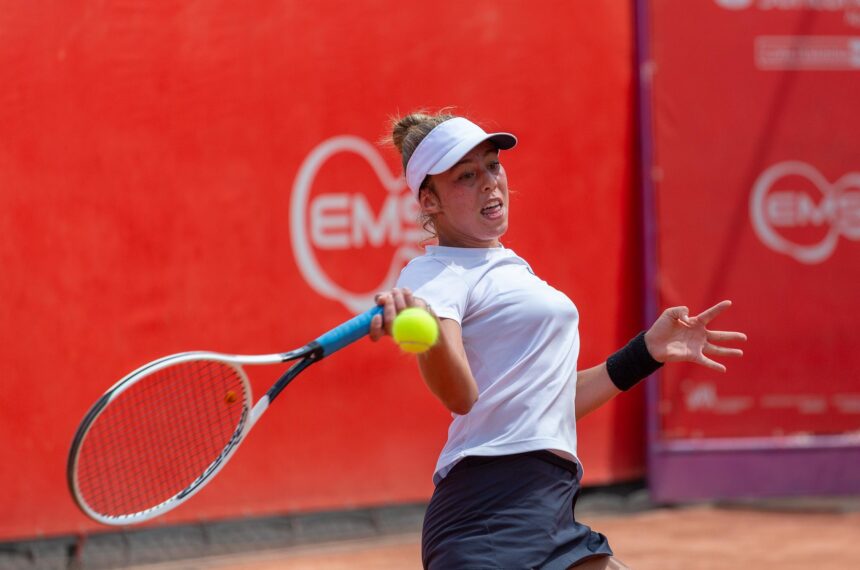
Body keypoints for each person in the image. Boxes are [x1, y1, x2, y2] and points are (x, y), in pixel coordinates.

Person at [368, 111, 746, 570]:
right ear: (430, 202)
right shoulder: (437, 273)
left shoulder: (507, 269)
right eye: (466, 176)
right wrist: (425, 336)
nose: (490, 182)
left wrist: (645, 352)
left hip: (548, 504)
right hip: (488, 511)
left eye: (493, 165)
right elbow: (460, 395)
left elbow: (549, 402)